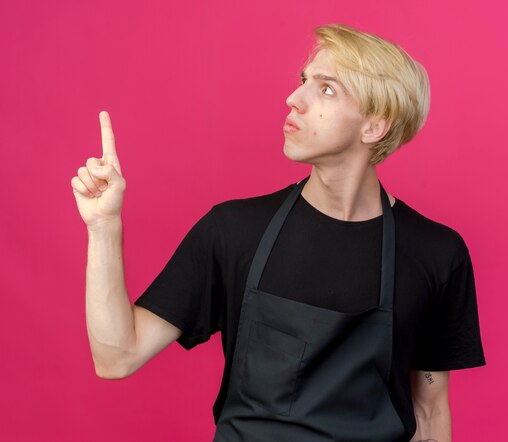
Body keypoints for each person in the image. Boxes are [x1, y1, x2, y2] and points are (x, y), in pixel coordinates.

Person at [71, 23, 485, 442]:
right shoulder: (234, 231)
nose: (293, 99)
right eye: (304, 81)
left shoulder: (435, 254)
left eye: (326, 90)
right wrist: (103, 227)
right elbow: (116, 357)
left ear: (374, 126)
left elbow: (429, 413)